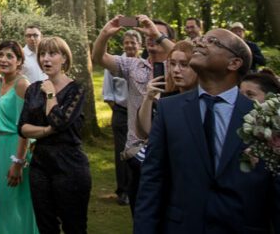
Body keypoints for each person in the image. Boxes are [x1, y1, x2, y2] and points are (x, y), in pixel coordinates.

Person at [133, 29, 280, 233]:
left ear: (234, 63)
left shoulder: (264, 117)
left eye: (212, 41)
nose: (200, 43)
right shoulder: (169, 110)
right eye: (201, 39)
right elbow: (152, 181)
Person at [91, 13, 174, 211]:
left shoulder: (181, 69)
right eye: (148, 32)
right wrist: (105, 33)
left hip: (172, 153)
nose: (151, 35)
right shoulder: (133, 65)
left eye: (157, 33)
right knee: (140, 213)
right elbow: (98, 58)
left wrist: (158, 35)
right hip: (139, 153)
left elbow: (191, 58)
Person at [18, 36, 90, 234]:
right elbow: (22, 127)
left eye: (52, 53)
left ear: (64, 58)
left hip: (70, 164)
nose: (46, 59)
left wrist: (50, 94)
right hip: (40, 164)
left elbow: (58, 121)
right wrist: (46, 131)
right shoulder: (33, 89)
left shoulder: (77, 89)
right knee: (46, 226)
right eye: (42, 54)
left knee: (74, 226)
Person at [0, 41, 38, 234]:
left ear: (19, 61)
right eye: (0, 54)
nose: (3, 59)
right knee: (3, 204)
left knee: (19, 204)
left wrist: (18, 162)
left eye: (9, 56)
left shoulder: (22, 85)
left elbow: (24, 128)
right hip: (0, 146)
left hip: (17, 148)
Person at [100, 29, 140, 206]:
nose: (130, 45)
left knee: (139, 152)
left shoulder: (145, 64)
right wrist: (120, 111)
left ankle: (138, 187)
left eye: (133, 42)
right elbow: (108, 94)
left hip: (141, 115)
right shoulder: (114, 64)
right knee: (122, 153)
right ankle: (123, 191)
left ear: (140, 45)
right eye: (127, 42)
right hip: (121, 113)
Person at [135, 40, 197, 141]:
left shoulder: (204, 98)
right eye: (172, 64)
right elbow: (145, 132)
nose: (176, 70)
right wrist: (148, 98)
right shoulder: (165, 99)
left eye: (184, 64)